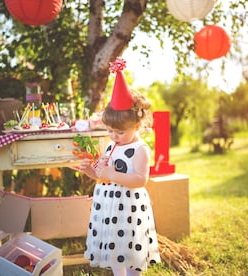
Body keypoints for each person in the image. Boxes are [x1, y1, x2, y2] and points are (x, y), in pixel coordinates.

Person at [75, 57, 161, 275]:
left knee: (130, 247)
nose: (114, 136)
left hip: (128, 207)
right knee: (113, 247)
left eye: (120, 132)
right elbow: (103, 176)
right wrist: (90, 171)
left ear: (138, 125)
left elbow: (140, 180)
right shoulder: (112, 145)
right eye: (110, 130)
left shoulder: (140, 150)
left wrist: (112, 173)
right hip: (108, 206)